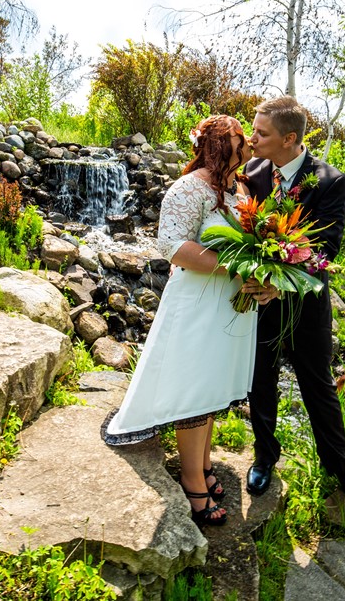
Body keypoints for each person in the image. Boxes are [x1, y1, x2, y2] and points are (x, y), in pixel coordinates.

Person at [103, 115, 272, 526]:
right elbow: (173, 246)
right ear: (218, 144)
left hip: (231, 307)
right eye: (239, 137)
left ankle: (205, 462)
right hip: (197, 304)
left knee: (212, 389)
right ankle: (191, 477)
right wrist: (235, 267)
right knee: (195, 388)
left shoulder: (243, 188)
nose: (247, 141)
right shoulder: (190, 187)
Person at [242, 96, 345, 508]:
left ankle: (340, 467)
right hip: (259, 301)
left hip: (306, 302)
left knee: (318, 385)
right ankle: (265, 457)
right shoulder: (252, 172)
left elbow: (325, 249)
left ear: (289, 139)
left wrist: (284, 285)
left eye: (261, 133)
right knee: (260, 381)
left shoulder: (331, 180)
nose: (252, 138)